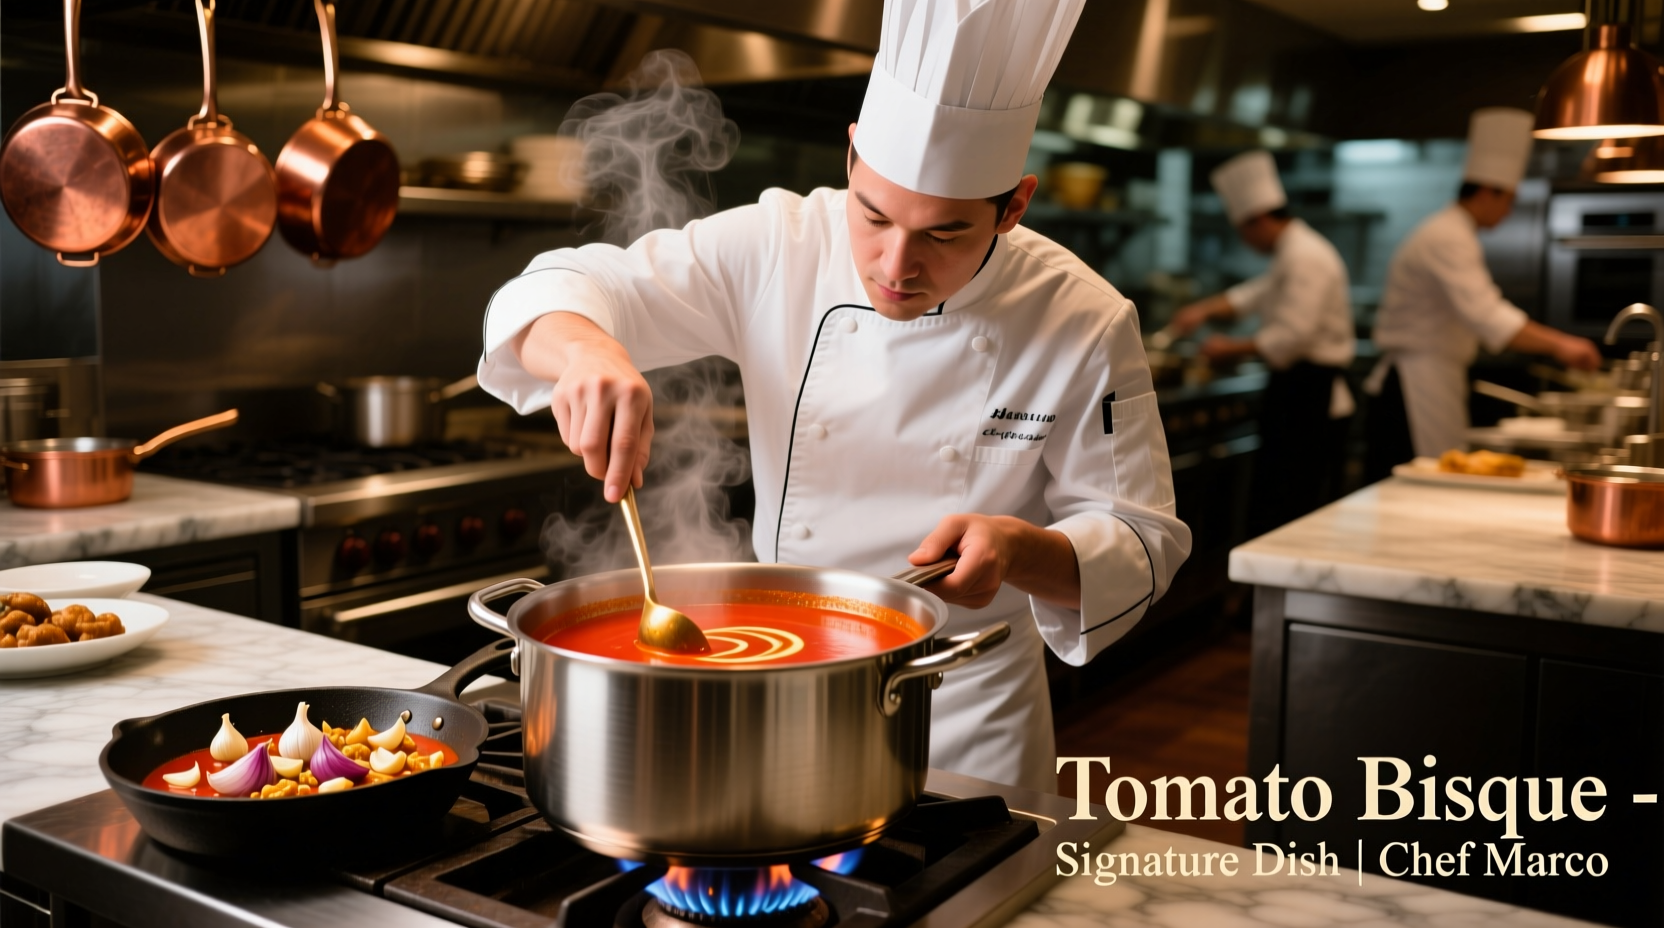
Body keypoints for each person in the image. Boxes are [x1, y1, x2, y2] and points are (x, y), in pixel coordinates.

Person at [475, 0, 1191, 793]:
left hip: (961, 711)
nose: (895, 264)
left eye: (945, 234)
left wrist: (1024, 550)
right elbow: (557, 288)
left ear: (1013, 206)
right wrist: (586, 349)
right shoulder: (780, 244)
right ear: (850, 155)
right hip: (778, 693)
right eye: (873, 215)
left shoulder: (1082, 318)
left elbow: (1144, 537)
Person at [1364, 108, 1602, 481]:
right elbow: (1489, 316)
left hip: (1432, 379)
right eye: (1509, 199)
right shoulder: (1448, 236)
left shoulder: (1455, 231)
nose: (1508, 211)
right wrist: (1561, 345)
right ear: (1489, 191)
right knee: (1410, 492)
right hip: (1413, 386)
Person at [1171, 151, 1356, 534]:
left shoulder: (1305, 255)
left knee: (1292, 501)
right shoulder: (1293, 251)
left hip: (1309, 393)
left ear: (1257, 220)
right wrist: (1202, 310)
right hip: (1296, 391)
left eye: (1241, 229)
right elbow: (1254, 295)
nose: (1244, 239)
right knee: (1279, 494)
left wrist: (1229, 348)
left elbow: (1292, 335)